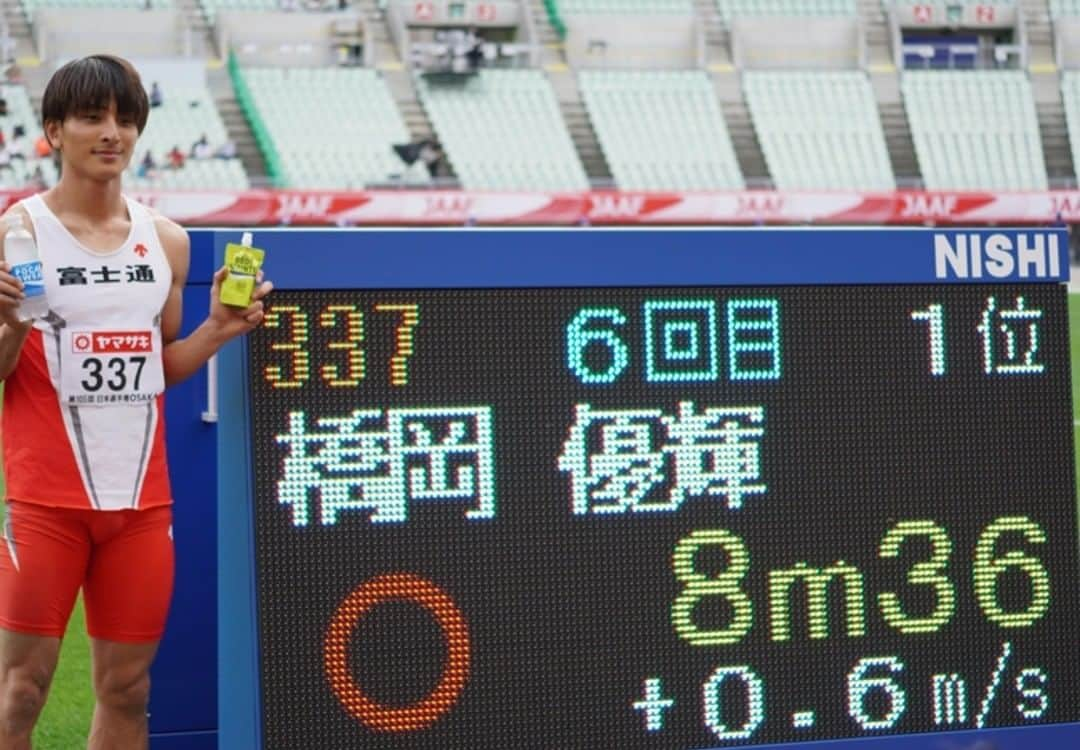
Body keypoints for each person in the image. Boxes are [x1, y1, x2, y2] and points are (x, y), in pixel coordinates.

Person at [0, 54, 271, 749]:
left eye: (126, 118)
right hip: (44, 506)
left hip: (143, 510)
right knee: (20, 693)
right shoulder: (16, 234)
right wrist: (9, 326)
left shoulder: (167, 244)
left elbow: (157, 367)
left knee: (128, 691)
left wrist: (218, 330)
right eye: (92, 117)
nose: (111, 132)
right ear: (54, 131)